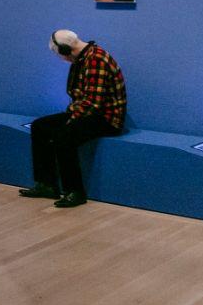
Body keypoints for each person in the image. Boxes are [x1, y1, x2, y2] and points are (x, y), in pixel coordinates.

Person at [20, 29, 126, 207]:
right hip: (89, 113)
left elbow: (93, 103)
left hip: (107, 119)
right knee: (40, 126)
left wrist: (71, 118)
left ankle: (75, 191)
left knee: (64, 136)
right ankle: (46, 184)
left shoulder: (96, 60)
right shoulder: (83, 58)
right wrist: (72, 115)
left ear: (64, 50)